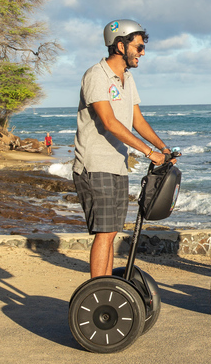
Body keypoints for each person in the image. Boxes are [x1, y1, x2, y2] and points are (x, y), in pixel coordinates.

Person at [73, 19, 174, 278]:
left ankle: (107, 288)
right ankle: (99, 293)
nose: (142, 53)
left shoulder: (127, 78)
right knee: (104, 234)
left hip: (117, 164)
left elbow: (136, 120)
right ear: (120, 45)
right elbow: (109, 122)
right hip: (95, 165)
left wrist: (163, 148)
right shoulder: (96, 75)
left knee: (111, 232)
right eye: (138, 47)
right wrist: (149, 153)